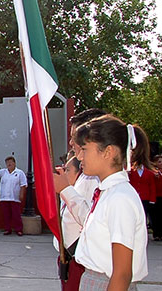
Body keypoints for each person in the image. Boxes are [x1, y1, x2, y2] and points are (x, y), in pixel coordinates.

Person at [72, 115, 148, 290]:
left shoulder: (119, 198)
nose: (80, 157)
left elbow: (122, 273)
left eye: (85, 149)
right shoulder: (108, 193)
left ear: (108, 152)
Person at [53, 108, 105, 290]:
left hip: (82, 259)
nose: (71, 143)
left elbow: (92, 221)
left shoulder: (98, 178)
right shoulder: (85, 174)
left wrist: (66, 189)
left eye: (75, 137)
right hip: (70, 256)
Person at [0, 156, 27, 236]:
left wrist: (22, 194)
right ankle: (7, 229)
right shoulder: (4, 172)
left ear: (14, 163)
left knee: (16, 214)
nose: (9, 164)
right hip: (4, 197)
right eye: (7, 162)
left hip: (14, 197)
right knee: (6, 214)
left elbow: (23, 185)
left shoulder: (19, 173)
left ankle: (18, 229)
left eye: (10, 162)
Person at [128, 136, 156, 226]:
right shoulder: (131, 171)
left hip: (145, 198)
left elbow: (152, 186)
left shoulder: (149, 172)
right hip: (134, 197)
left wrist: (152, 199)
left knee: (143, 216)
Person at [152, 155, 162, 241]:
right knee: (156, 215)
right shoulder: (154, 173)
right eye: (159, 162)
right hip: (157, 196)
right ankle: (157, 233)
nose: (161, 164)